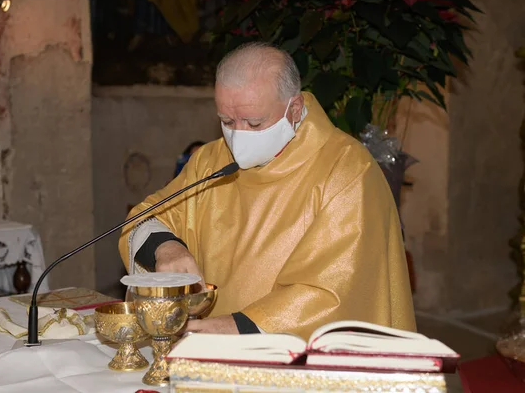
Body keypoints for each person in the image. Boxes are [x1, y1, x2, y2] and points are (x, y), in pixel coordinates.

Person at [119, 42, 416, 340]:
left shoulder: (348, 170)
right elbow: (146, 217)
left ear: (295, 108)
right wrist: (167, 247)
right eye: (227, 121)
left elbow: (337, 291)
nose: (238, 135)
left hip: (297, 365)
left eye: (254, 122)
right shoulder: (211, 160)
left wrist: (240, 326)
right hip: (208, 345)